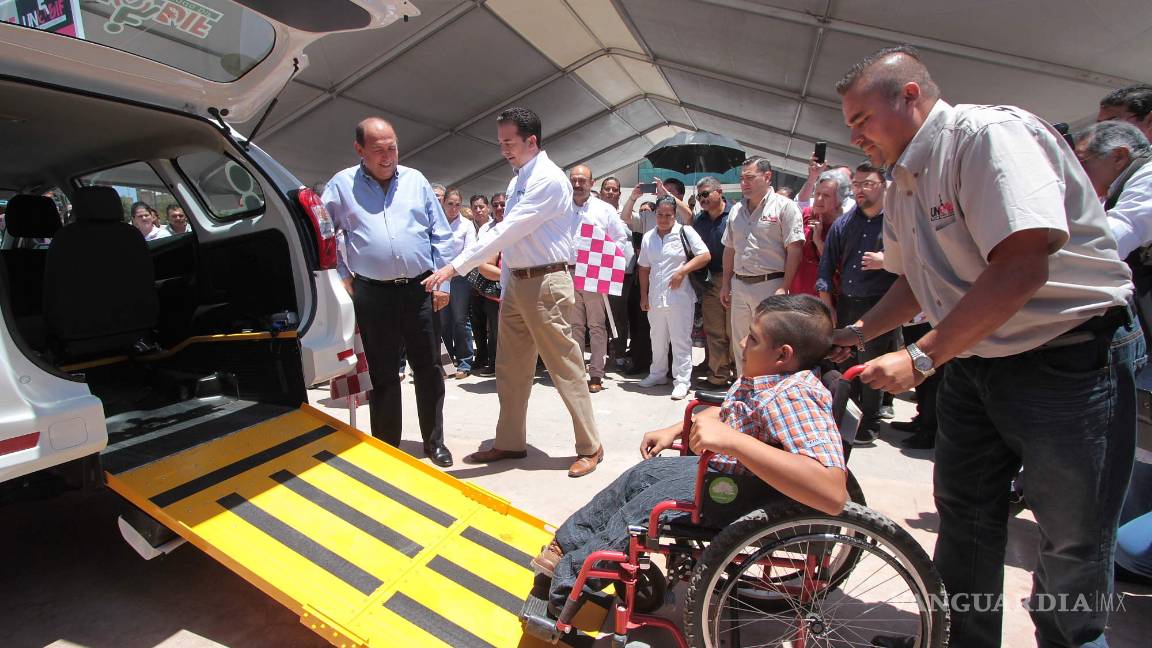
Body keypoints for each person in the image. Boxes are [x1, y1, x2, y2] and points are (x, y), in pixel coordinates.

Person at [831, 45, 1141, 648]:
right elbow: (916, 280)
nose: (857, 139)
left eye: (863, 121)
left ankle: (1072, 640)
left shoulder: (987, 137)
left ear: (911, 96)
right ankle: (960, 637)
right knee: (966, 517)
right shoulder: (902, 181)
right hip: (976, 362)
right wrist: (858, 332)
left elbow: (1022, 265)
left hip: (1067, 359)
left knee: (1073, 535)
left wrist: (923, 356)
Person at [530, 294, 848, 612]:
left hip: (735, 493)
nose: (741, 341)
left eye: (752, 337)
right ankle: (565, 545)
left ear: (783, 354)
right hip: (720, 474)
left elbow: (832, 491)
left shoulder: (795, 397)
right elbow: (734, 413)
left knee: (642, 513)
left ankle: (570, 583)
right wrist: (676, 430)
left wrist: (733, 442)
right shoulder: (769, 380)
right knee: (638, 477)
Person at [423, 107, 604, 478]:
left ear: (531, 141)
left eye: (509, 142)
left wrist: (455, 267)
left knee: (564, 367)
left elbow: (508, 231)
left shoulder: (549, 180)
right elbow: (509, 242)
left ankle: (590, 445)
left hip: (546, 282)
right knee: (510, 369)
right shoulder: (518, 179)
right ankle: (510, 441)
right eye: (501, 141)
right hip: (519, 283)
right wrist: (506, 286)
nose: (503, 148)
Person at [322, 117, 454, 467]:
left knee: (427, 369)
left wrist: (443, 281)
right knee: (382, 374)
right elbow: (323, 233)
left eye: (392, 147)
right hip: (372, 294)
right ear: (359, 150)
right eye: (377, 150)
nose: (386, 156)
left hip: (420, 288)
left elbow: (440, 233)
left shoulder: (416, 181)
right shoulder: (341, 185)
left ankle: (434, 442)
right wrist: (342, 276)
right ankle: (388, 447)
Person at [816, 164, 898, 445]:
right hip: (847, 302)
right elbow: (826, 266)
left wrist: (886, 261)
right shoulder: (845, 223)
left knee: (871, 365)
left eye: (868, 184)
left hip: (881, 306)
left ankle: (870, 422)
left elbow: (916, 265)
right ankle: (845, 417)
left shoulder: (896, 221)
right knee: (843, 362)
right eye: (856, 184)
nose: (860, 190)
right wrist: (828, 302)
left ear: (884, 185)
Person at [720, 157, 805, 374]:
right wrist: (726, 283)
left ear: (767, 177)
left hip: (770, 285)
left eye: (750, 178)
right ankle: (742, 389)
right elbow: (729, 248)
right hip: (739, 285)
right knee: (740, 343)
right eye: (742, 179)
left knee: (768, 344)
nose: (744, 183)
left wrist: (785, 286)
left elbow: (794, 249)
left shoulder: (785, 207)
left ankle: (765, 392)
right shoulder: (736, 210)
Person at [638, 196, 710, 399]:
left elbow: (704, 255)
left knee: (680, 341)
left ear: (674, 214)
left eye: (668, 215)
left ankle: (682, 381)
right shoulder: (648, 237)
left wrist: (682, 271)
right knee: (657, 339)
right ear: (655, 214)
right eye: (660, 214)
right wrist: (644, 294)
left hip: (680, 297)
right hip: (655, 297)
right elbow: (644, 268)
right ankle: (657, 374)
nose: (663, 219)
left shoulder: (685, 232)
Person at [569, 165, 633, 393]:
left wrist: (604, 263)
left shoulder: (604, 210)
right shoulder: (561, 208)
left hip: (594, 273)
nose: (577, 185)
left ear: (591, 182)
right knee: (574, 326)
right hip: (568, 272)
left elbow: (621, 240)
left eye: (582, 181)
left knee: (596, 325)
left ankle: (596, 373)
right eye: (574, 180)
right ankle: (576, 373)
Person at [692, 177, 734, 386]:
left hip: (736, 279)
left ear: (720, 191)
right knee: (715, 331)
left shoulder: (736, 215)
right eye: (699, 196)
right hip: (710, 282)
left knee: (734, 331)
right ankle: (718, 376)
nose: (702, 199)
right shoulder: (699, 221)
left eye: (706, 194)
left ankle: (740, 376)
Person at [438, 188, 476, 379]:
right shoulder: (435, 223)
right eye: (450, 204)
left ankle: (464, 362)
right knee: (443, 321)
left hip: (459, 278)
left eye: (457, 204)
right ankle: (446, 363)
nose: (453, 208)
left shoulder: (467, 225)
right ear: (443, 203)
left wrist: (452, 271)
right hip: (440, 278)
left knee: (460, 320)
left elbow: (470, 252)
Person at [791, 170, 847, 298]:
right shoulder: (806, 215)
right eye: (817, 194)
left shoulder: (844, 226)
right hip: (797, 294)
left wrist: (819, 242)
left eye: (826, 196)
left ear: (839, 201)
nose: (819, 199)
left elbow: (839, 266)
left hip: (825, 298)